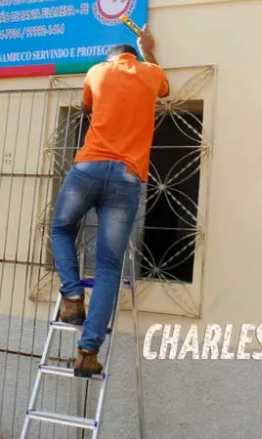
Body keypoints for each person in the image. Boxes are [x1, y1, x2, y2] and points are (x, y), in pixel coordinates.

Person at [49, 24, 169, 377]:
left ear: (111, 57)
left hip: (88, 168)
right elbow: (165, 87)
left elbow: (87, 105)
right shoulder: (150, 73)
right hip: (128, 176)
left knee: (60, 228)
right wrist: (149, 50)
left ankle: (72, 297)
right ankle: (87, 352)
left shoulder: (97, 71)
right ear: (133, 55)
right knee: (108, 268)